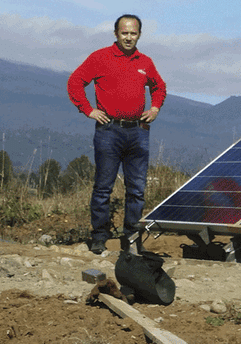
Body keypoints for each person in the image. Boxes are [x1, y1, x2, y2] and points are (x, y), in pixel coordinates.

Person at [66, 14, 166, 255]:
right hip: (108, 131)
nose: (128, 37)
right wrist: (88, 110)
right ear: (116, 34)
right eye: (124, 33)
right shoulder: (99, 57)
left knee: (137, 190)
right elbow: (75, 82)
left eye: (133, 33)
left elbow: (159, 87)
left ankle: (132, 238)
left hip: (138, 131)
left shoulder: (145, 62)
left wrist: (154, 108)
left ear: (139, 35)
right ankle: (100, 237)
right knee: (103, 188)